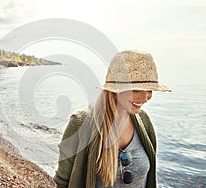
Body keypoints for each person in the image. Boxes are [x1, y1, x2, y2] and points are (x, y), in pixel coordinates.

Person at [53, 50, 171, 188]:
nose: (145, 98)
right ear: (116, 89)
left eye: (149, 90)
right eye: (137, 90)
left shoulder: (144, 121)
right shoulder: (80, 123)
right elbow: (62, 181)